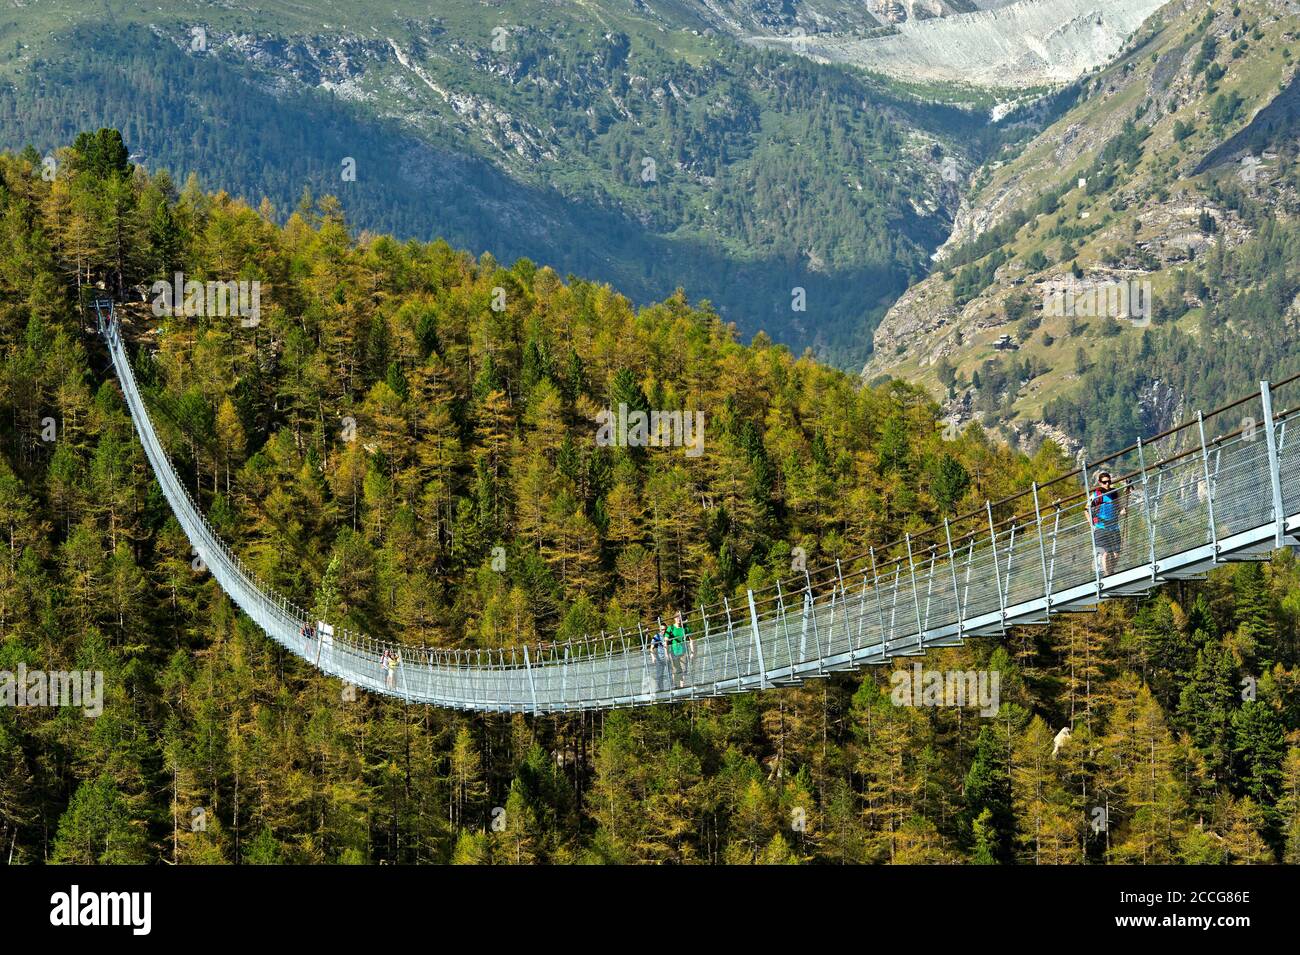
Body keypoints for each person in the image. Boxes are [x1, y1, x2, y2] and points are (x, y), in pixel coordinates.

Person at [1090, 470, 1126, 578]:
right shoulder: (1096, 495)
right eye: (1105, 482)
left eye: (1109, 481)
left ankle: (1110, 572)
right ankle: (1107, 575)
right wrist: (1091, 524)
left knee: (1116, 554)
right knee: (1105, 554)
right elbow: (1086, 509)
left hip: (1114, 527)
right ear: (1100, 483)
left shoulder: (1114, 493)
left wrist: (1122, 511)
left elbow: (1119, 507)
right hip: (1101, 527)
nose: (1107, 484)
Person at [667, 610, 691, 688]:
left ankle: (682, 687)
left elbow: (692, 639)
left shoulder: (685, 628)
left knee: (684, 670)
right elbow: (665, 639)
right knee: (675, 670)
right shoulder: (671, 628)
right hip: (674, 652)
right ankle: (675, 685)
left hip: (683, 652)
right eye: (677, 617)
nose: (679, 619)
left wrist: (692, 652)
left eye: (680, 617)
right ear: (674, 618)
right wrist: (667, 652)